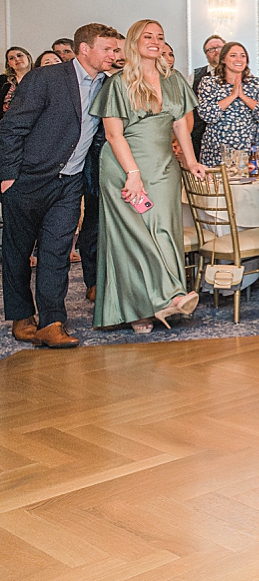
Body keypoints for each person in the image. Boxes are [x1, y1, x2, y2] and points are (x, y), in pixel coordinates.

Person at [0, 24, 122, 347]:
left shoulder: (108, 86)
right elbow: (11, 127)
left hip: (70, 183)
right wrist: (8, 177)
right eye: (108, 49)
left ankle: (52, 321)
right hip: (27, 178)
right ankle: (22, 316)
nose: (114, 55)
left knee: (56, 252)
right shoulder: (46, 78)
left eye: (116, 49)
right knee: (18, 251)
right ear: (85, 49)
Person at [92, 20, 207, 334]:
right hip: (124, 168)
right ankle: (147, 305)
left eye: (160, 36)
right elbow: (114, 135)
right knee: (134, 236)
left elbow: (182, 125)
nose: (155, 41)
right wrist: (132, 174)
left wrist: (191, 162)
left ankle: (166, 298)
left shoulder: (174, 80)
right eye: (148, 36)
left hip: (164, 167)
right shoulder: (118, 83)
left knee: (163, 231)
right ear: (134, 42)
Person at [196, 42, 259, 167]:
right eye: (233, 55)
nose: (239, 59)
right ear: (223, 59)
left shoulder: (258, 84)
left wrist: (243, 97)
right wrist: (232, 96)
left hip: (248, 151)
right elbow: (208, 116)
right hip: (217, 152)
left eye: (243, 56)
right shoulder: (209, 83)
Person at [189, 34, 224, 156]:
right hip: (200, 132)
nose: (216, 51)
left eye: (220, 47)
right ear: (206, 54)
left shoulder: (239, 74)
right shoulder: (196, 75)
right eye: (211, 49)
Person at [1, 46, 33, 117]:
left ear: (28, 57)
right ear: (9, 64)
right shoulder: (3, 80)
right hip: (6, 123)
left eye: (19, 55)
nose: (17, 59)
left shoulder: (40, 77)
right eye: (11, 58)